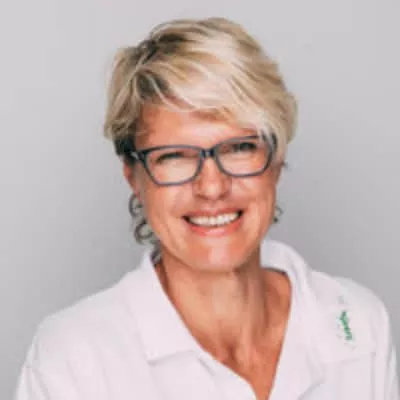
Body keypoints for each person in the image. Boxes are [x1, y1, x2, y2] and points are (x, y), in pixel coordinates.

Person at [16, 17, 399, 400]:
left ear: (276, 159)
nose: (212, 187)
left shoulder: (358, 327)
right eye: (175, 156)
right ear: (134, 176)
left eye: (239, 148)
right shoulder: (74, 362)